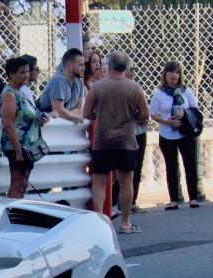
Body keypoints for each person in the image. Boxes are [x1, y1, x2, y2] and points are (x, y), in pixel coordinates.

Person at [84, 50, 150, 234]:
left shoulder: (97, 87)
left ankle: (101, 222)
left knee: (99, 180)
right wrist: (131, 116)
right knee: (126, 181)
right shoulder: (135, 88)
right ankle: (125, 222)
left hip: (103, 140)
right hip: (126, 141)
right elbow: (145, 115)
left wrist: (101, 114)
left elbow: (86, 113)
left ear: (108, 66)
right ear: (127, 67)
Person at [149, 60, 206, 208]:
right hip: (167, 134)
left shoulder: (185, 90)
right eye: (171, 72)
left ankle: (193, 198)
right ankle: (174, 199)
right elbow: (154, 114)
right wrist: (167, 121)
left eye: (177, 72)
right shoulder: (159, 92)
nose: (174, 75)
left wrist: (184, 113)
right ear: (165, 74)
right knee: (171, 167)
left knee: (190, 165)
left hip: (185, 133)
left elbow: (195, 108)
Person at [0, 56, 48, 199]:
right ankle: (10, 215)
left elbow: (24, 118)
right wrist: (18, 151)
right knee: (18, 184)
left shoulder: (22, 92)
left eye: (27, 71)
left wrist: (38, 121)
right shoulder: (10, 94)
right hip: (17, 147)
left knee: (23, 184)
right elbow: (8, 125)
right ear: (11, 74)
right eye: (22, 72)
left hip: (28, 147)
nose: (26, 75)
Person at [37, 48, 86, 123]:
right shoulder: (59, 80)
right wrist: (76, 117)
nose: (84, 68)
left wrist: (69, 115)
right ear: (69, 65)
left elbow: (78, 108)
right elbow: (58, 110)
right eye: (80, 65)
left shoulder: (78, 81)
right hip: (45, 124)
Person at [125, 62, 149, 213]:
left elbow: (145, 113)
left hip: (139, 131)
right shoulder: (118, 87)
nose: (133, 72)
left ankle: (133, 201)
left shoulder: (137, 87)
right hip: (126, 134)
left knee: (137, 167)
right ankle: (119, 202)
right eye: (130, 69)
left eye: (134, 69)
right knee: (125, 168)